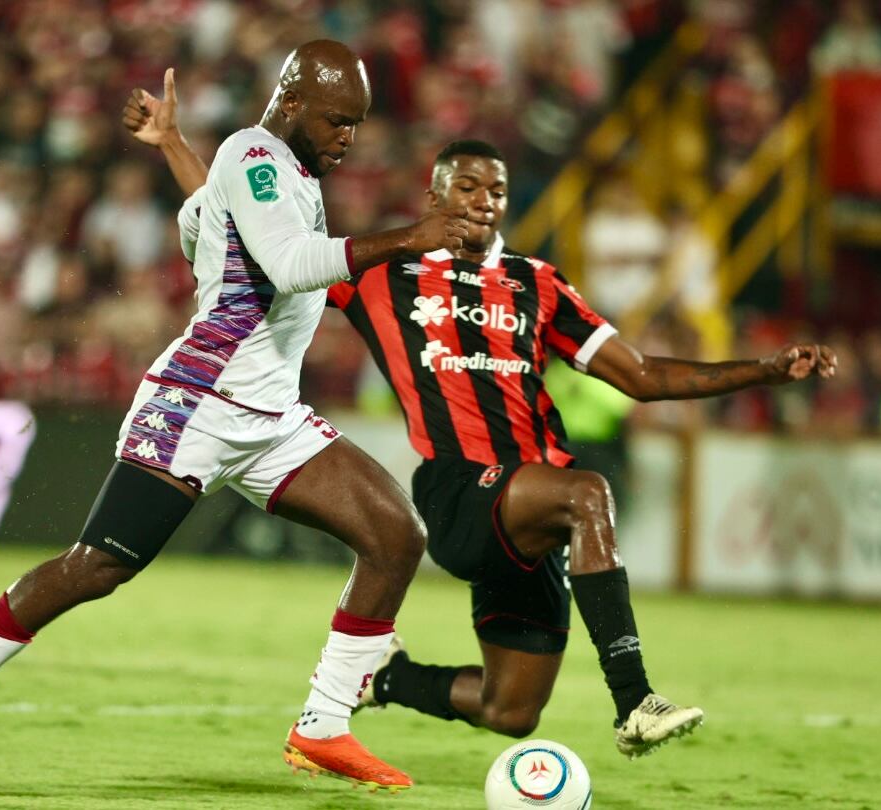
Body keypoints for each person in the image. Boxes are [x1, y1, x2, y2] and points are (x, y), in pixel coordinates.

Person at [129, 75, 838, 758]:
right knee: (589, 492)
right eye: (465, 187)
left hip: (533, 515)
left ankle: (388, 678)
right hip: (462, 493)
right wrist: (173, 144)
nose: (482, 201)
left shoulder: (538, 283)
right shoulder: (386, 270)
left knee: (510, 712)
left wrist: (764, 370)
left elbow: (644, 377)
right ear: (433, 195)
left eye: (495, 190)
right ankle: (635, 701)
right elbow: (252, 227)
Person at [0, 40, 472, 798]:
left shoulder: (270, 168)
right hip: (197, 403)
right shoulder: (255, 151)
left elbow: (211, 212)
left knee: (395, 536)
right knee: (97, 566)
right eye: (337, 121)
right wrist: (409, 238)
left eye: (357, 125)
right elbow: (291, 264)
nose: (347, 139)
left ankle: (324, 724)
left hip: (268, 414)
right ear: (291, 103)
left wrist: (171, 144)